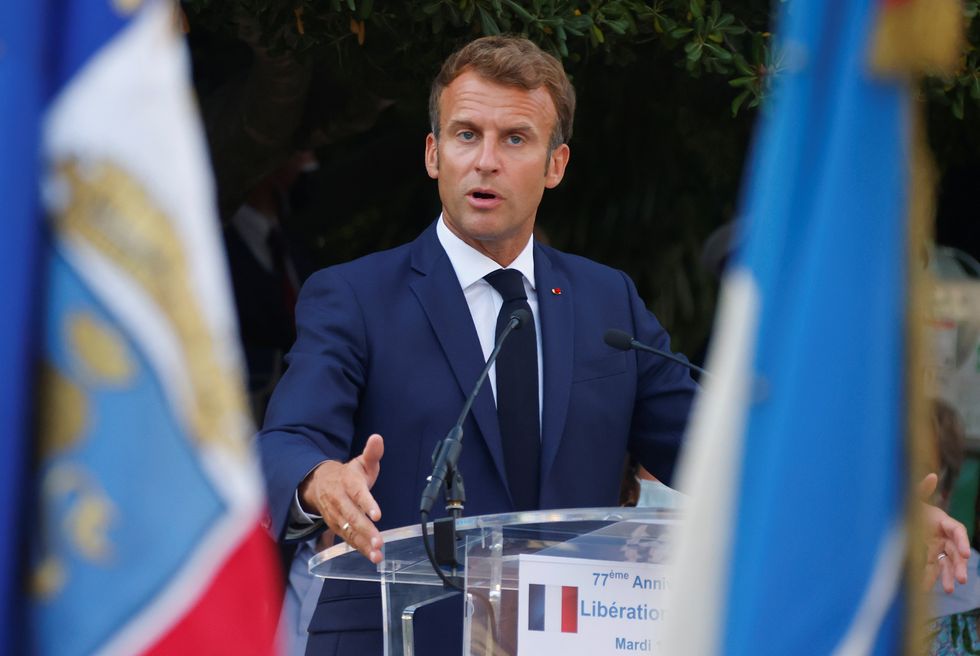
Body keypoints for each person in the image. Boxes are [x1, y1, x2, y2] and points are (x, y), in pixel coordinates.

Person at [257, 35, 698, 655]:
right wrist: (319, 479)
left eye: (515, 138)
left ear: (556, 164)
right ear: (434, 154)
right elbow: (285, 442)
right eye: (466, 135)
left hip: (572, 635)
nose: (485, 160)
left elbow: (713, 445)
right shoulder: (356, 296)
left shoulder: (608, 303)